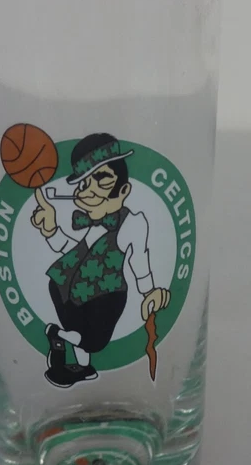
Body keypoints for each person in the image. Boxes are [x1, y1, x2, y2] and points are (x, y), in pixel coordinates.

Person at [31, 133, 170, 387]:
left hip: (104, 293)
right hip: (65, 287)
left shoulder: (132, 223)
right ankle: (76, 357)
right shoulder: (89, 224)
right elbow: (71, 250)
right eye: (83, 184)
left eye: (102, 181)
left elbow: (139, 260)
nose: (88, 191)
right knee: (86, 337)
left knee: (92, 340)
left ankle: (64, 344)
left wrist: (149, 291)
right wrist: (51, 229)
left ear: (124, 190)